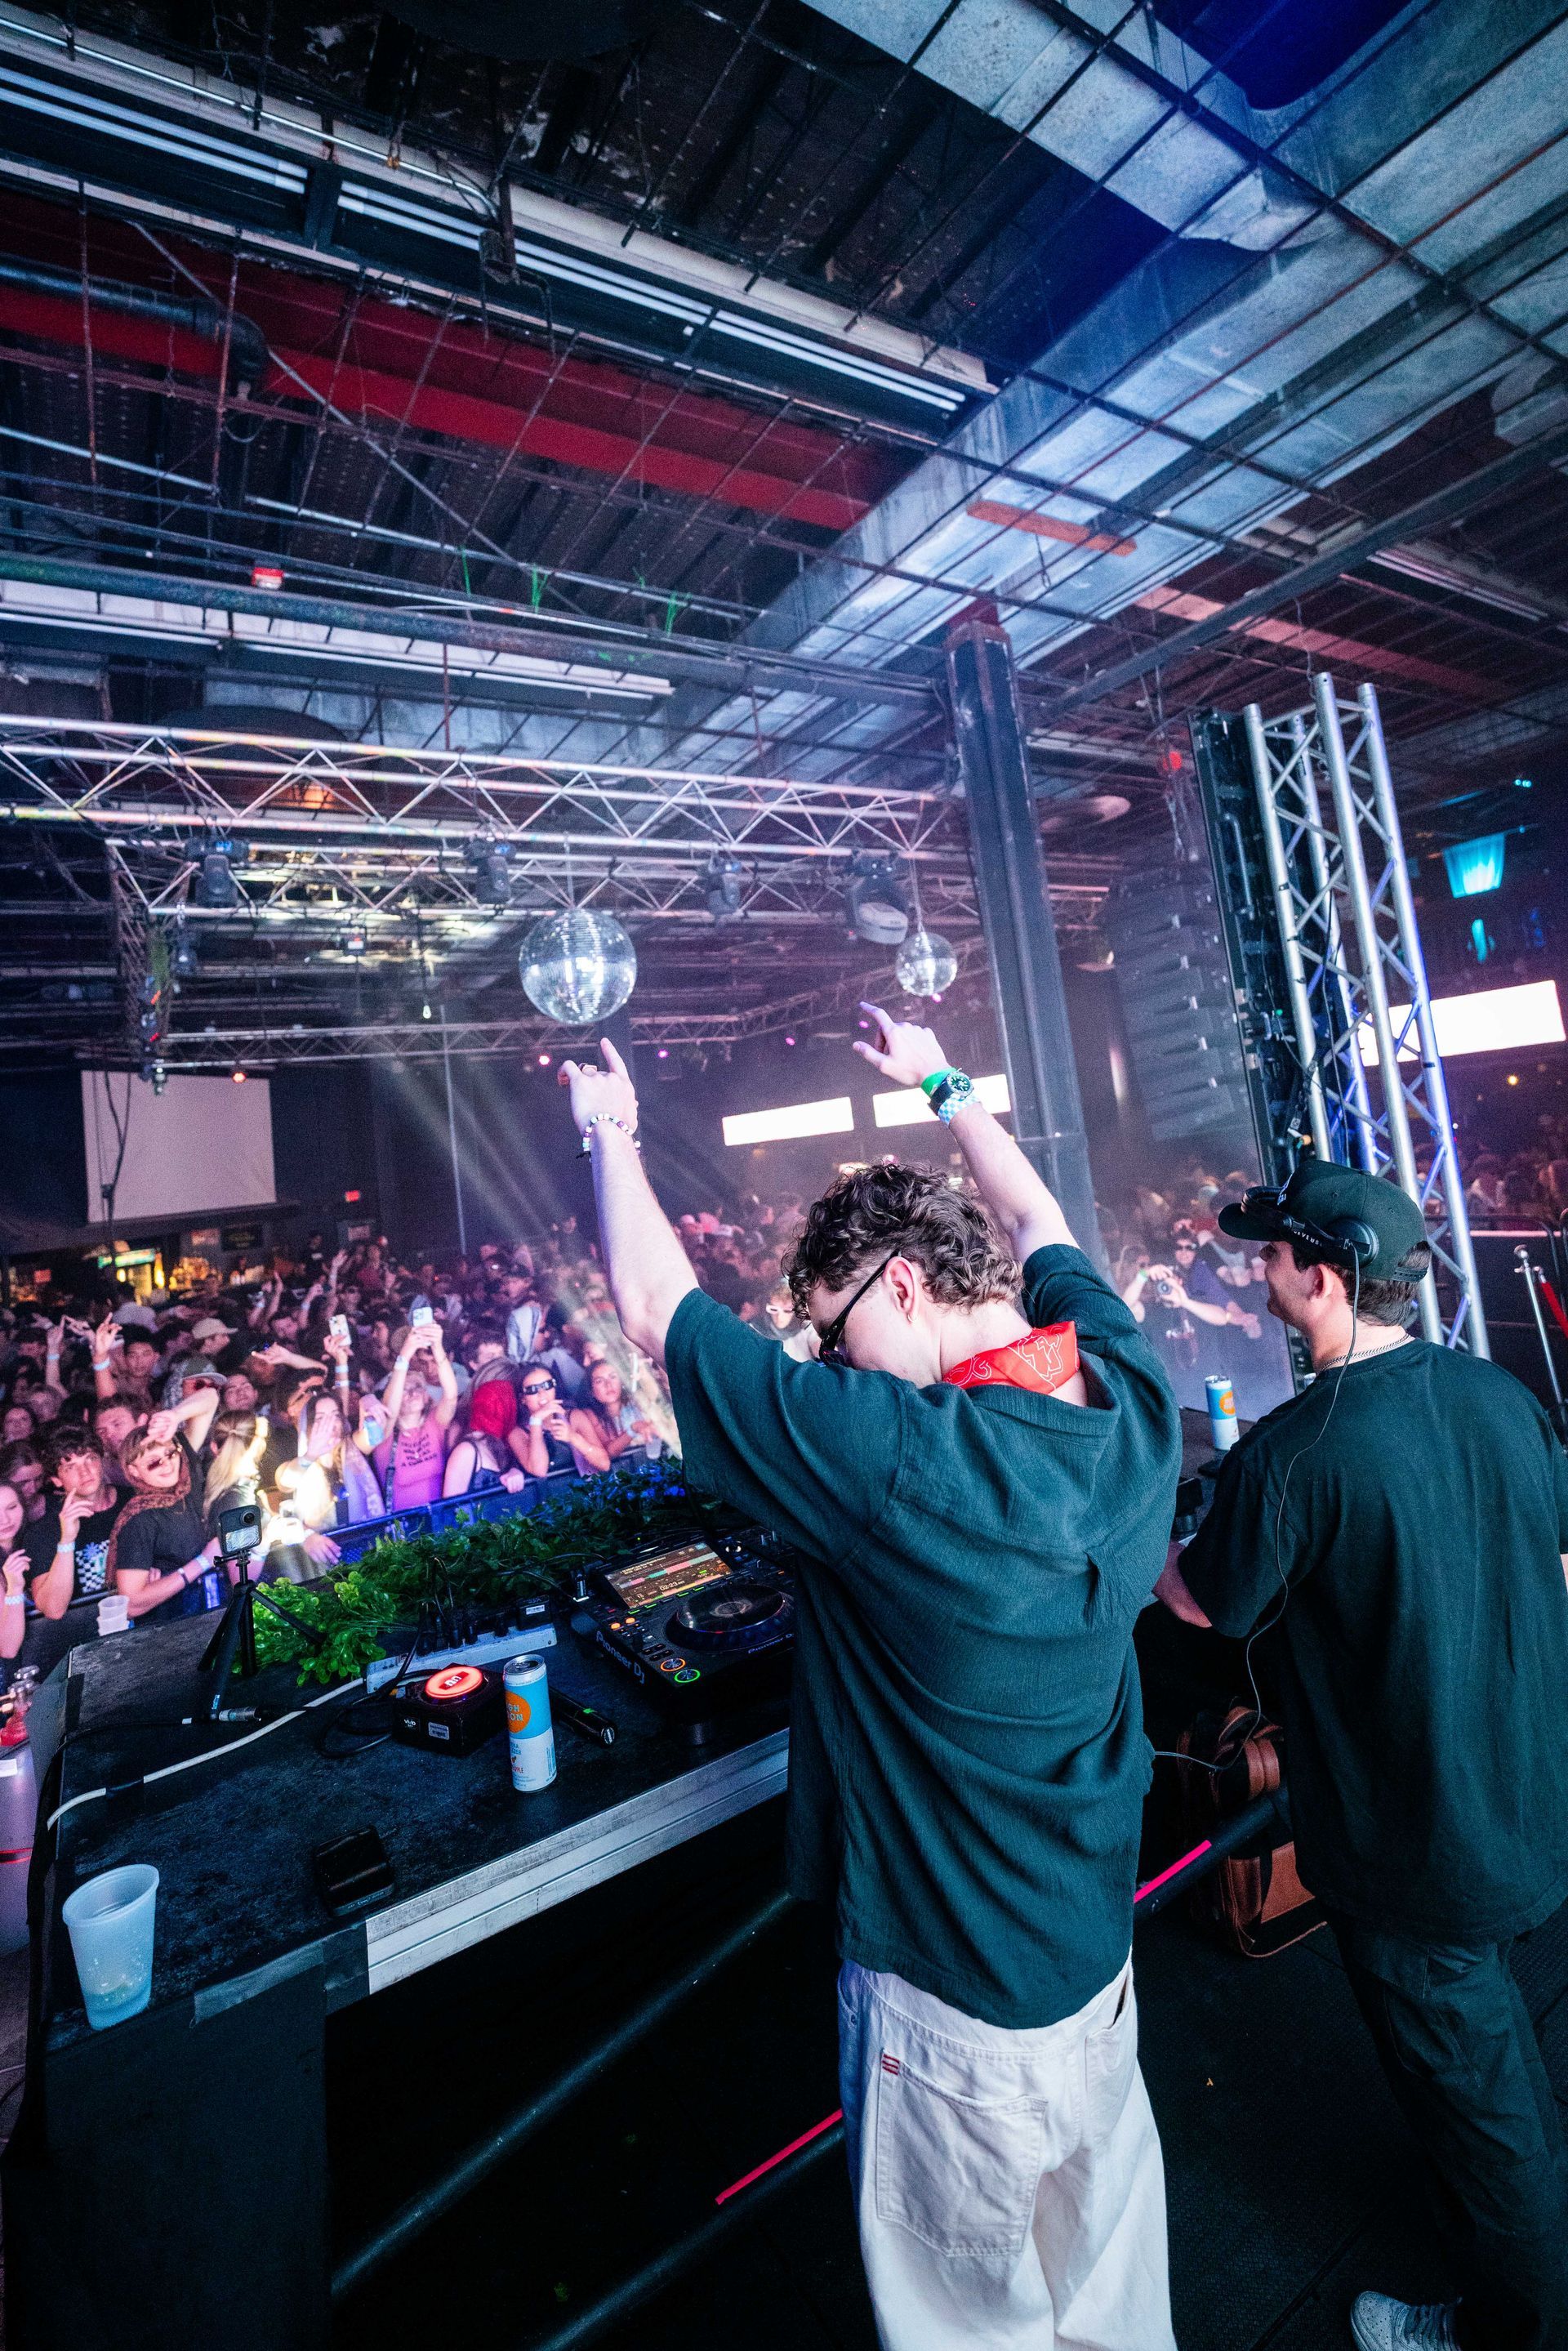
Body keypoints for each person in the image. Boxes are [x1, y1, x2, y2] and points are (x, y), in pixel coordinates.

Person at [555, 1008, 1183, 2351]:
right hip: (1095, 1960)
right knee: (1117, 2308)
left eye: (833, 1337)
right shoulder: (1128, 1386)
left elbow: (658, 1311)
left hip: (951, 2002)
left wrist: (610, 1129)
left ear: (900, 1285)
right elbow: (1036, 1214)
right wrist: (945, 1079)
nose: (830, 1367)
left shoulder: (900, 1456)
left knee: (972, 2331)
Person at [1156, 1159, 1568, 2351]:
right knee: (1486, 2038)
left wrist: (1136, 1531)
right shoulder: (1495, 1391)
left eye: (1275, 1253)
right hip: (1522, 1791)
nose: (1261, 1269)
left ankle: (1515, 2326)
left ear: (1326, 1277)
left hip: (1417, 1845)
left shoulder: (1295, 1454)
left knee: (1473, 2100)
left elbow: (1199, 1601)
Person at [106, 1392, 223, 1624]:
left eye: (170, 1453)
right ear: (134, 1471)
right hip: (172, 1626)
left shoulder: (185, 1477)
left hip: (211, 1607)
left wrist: (175, 1415)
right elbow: (131, 1604)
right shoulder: (139, 1519)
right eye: (154, 1462)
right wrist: (203, 1562)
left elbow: (210, 1397)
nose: (167, 1464)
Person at [24, 1427, 126, 1664]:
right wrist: (67, 1541)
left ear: (102, 1461)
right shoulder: (44, 1532)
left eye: (90, 1458)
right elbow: (53, 1609)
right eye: (70, 1466)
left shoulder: (133, 1502)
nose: (85, 1471)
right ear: (56, 1480)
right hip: (82, 1648)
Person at [361, 1325, 457, 1511]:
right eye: (405, 1390)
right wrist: (404, 1356)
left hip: (441, 1521)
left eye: (418, 1387)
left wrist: (437, 1347)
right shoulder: (385, 1433)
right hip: (405, 1525)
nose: (413, 1393)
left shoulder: (435, 1423)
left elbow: (451, 1395)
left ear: (427, 1396)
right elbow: (390, 1409)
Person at [566, 1360, 656, 1474]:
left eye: (613, 1377)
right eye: (599, 1381)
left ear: (621, 1381)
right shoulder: (590, 1415)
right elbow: (609, 1452)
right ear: (592, 1391)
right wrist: (634, 1429)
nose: (608, 1384)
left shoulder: (637, 1403)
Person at [512, 1366, 577, 1479]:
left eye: (548, 1385)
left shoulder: (573, 1416)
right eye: (532, 1389)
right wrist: (536, 1421)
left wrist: (573, 1437)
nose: (542, 1393)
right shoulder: (516, 1432)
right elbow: (539, 1470)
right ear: (523, 1398)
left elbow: (604, 1464)